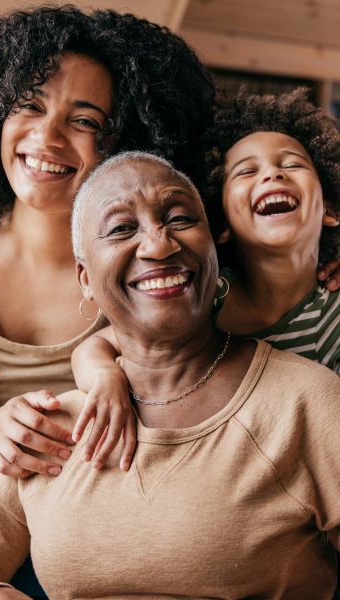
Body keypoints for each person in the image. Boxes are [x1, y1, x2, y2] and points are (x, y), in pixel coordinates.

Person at [0, 152, 340, 600]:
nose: (158, 244)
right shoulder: (53, 428)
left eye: (180, 218)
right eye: (121, 228)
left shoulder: (308, 403)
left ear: (212, 246)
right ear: (85, 280)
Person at [0, 4, 217, 524]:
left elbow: (267, 295)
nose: (47, 137)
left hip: (110, 533)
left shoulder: (159, 255)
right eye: (29, 106)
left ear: (127, 139)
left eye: (85, 120)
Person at [71, 88, 340, 449]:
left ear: (330, 209)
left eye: (293, 164)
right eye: (247, 171)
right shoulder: (203, 298)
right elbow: (93, 348)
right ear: (220, 224)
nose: (273, 175)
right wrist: (105, 376)